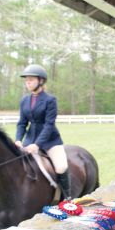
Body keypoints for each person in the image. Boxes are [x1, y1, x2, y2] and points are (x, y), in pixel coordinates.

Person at [15, 64, 71, 199]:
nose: (27, 82)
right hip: (29, 141)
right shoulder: (24, 100)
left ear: (41, 81)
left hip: (50, 141)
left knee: (61, 167)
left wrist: (37, 144)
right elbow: (22, 123)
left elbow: (49, 125)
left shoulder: (50, 100)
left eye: (31, 79)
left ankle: (67, 197)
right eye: (26, 80)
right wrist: (18, 140)